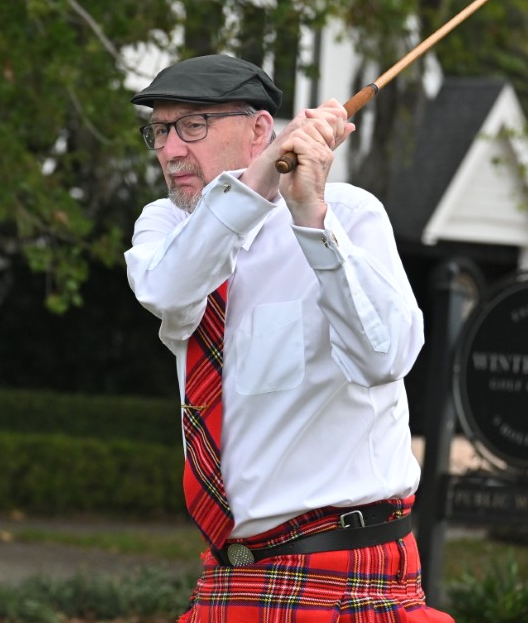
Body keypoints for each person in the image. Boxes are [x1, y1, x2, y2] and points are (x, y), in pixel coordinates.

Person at [124, 54, 452, 623]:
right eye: (159, 129)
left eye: (193, 125)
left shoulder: (349, 214)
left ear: (259, 129)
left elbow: (385, 357)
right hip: (231, 576)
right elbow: (169, 290)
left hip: (350, 577)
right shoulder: (167, 224)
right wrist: (259, 182)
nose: (170, 149)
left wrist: (311, 217)